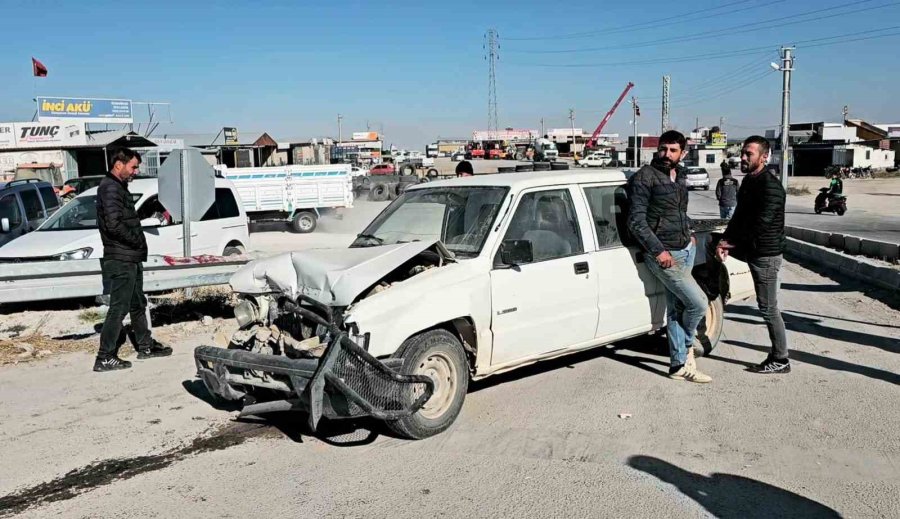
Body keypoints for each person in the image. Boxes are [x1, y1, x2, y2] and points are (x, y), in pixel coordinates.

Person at [626, 130, 712, 383]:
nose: (666, 154)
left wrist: (691, 233)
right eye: (663, 149)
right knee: (698, 303)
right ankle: (686, 349)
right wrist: (658, 250)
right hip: (664, 254)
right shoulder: (645, 177)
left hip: (685, 247)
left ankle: (678, 367)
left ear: (682, 153)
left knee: (675, 310)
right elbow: (636, 221)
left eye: (673, 150)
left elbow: (680, 211)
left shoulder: (680, 175)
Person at [94, 148, 171, 372]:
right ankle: (105, 356)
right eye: (133, 167)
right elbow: (113, 225)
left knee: (138, 304)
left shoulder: (118, 187)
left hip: (130, 256)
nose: (135, 171)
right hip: (121, 257)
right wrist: (135, 241)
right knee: (119, 308)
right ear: (119, 164)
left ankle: (145, 346)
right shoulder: (109, 188)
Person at [716, 136, 789, 374]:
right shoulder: (748, 181)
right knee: (707, 244)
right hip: (752, 249)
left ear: (764, 157)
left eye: (749, 154)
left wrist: (732, 242)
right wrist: (725, 239)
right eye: (743, 153)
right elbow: (740, 217)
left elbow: (762, 224)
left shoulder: (770, 186)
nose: (743, 158)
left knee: (768, 307)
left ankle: (781, 358)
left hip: (765, 254)